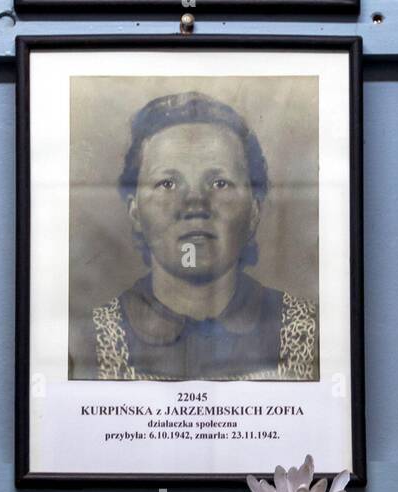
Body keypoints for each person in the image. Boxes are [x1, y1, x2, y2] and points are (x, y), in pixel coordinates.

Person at [70, 91, 318, 382]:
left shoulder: (309, 330)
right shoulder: (86, 340)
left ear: (253, 210)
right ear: (135, 211)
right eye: (167, 183)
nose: (195, 203)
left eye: (219, 182)